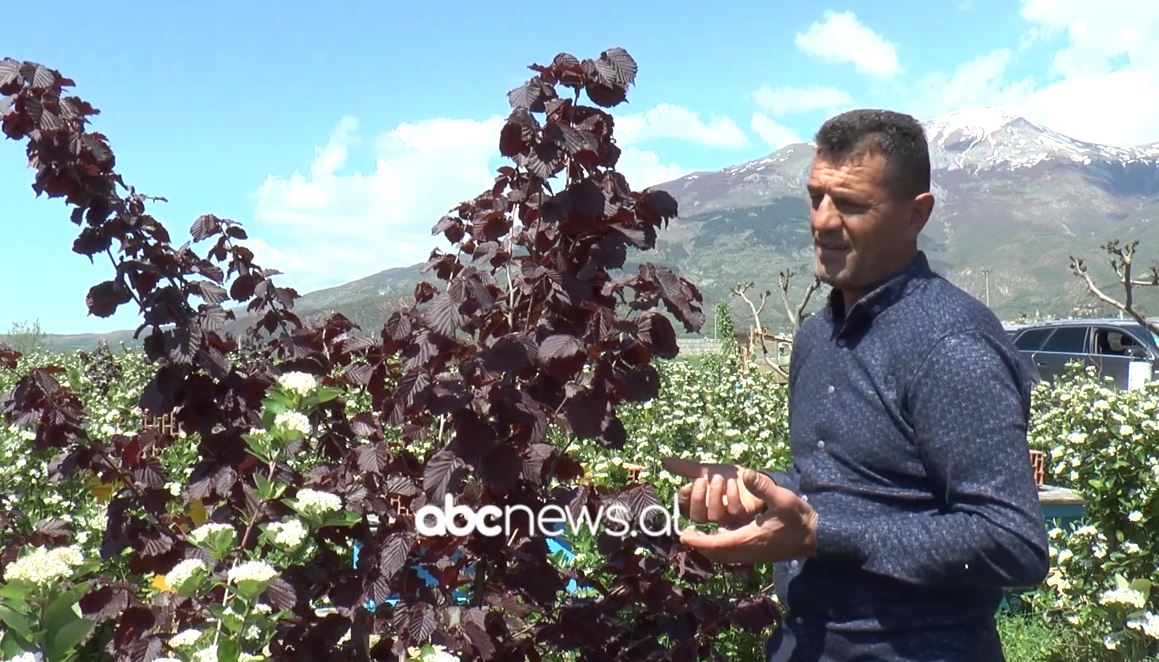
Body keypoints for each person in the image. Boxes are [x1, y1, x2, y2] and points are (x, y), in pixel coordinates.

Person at [661, 109, 1050, 661]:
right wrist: (761, 488)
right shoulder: (818, 336)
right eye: (815, 196)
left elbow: (1013, 543)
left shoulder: (952, 346)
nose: (822, 221)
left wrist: (822, 533)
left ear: (918, 214)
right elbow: (839, 483)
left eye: (851, 204)